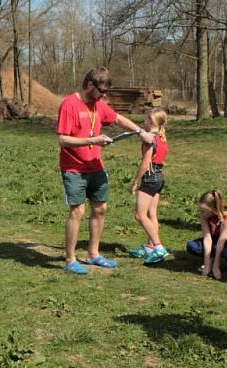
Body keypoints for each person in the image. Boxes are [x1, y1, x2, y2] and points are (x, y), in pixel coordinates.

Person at [57, 66, 155, 275]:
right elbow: (63, 139)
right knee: (78, 211)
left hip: (96, 166)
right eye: (101, 91)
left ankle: (93, 253)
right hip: (74, 167)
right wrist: (93, 140)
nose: (103, 96)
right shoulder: (69, 104)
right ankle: (70, 259)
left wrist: (140, 131)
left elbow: (117, 119)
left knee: (100, 209)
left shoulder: (99, 105)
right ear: (90, 85)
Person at [129, 107, 169, 264]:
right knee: (152, 214)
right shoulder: (162, 138)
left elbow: (146, 163)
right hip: (159, 177)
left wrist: (136, 181)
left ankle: (158, 247)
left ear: (151, 122)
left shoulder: (149, 140)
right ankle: (149, 246)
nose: (143, 121)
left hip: (150, 178)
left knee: (140, 215)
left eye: (146, 119)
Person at [186, 190, 227, 279]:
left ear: (213, 209)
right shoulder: (203, 215)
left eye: (204, 210)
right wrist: (207, 265)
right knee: (192, 246)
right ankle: (210, 259)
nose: (202, 213)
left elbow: (221, 241)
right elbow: (207, 238)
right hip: (214, 239)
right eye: (201, 210)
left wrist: (216, 267)